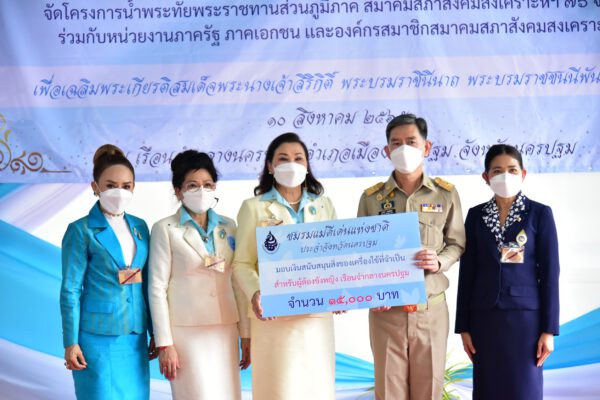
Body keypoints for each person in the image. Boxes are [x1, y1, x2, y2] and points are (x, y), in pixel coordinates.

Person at [357, 113, 466, 400]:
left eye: (411, 142)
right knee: (388, 391)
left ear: (426, 147)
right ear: (387, 150)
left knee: (428, 389)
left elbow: (456, 244)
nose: (403, 148)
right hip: (386, 312)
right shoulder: (371, 199)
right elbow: (361, 254)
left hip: (430, 309)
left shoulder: (445, 194)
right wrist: (371, 290)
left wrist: (439, 261)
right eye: (396, 143)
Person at [232, 132, 337, 400]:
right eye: (283, 158)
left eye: (298, 158)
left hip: (316, 318)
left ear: (307, 165)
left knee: (317, 390)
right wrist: (256, 291)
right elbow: (242, 262)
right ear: (270, 165)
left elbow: (335, 257)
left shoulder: (323, 205)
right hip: (272, 317)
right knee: (279, 390)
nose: (292, 164)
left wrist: (341, 289)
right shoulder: (253, 207)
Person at [455, 144, 559, 400]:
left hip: (526, 321)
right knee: (488, 389)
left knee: (524, 390)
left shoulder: (539, 214)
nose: (505, 175)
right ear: (486, 177)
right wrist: (463, 326)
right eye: (497, 170)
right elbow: (467, 273)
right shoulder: (475, 215)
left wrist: (549, 330)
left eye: (512, 170)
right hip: (484, 319)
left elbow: (550, 274)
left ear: (523, 174)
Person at [148, 150, 250, 399]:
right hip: (186, 332)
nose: (201, 190)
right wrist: (165, 343)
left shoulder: (229, 226)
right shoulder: (165, 229)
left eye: (207, 184)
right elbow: (157, 288)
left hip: (225, 328)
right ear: (178, 191)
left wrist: (246, 334)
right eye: (192, 185)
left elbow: (237, 282)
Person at [60, 144, 157, 400]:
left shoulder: (140, 227)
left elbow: (147, 285)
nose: (119, 192)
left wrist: (155, 332)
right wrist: (70, 342)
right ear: (95, 187)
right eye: (111, 185)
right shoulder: (80, 230)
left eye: (126, 186)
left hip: (135, 335)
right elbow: (70, 290)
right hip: (96, 337)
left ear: (134, 188)